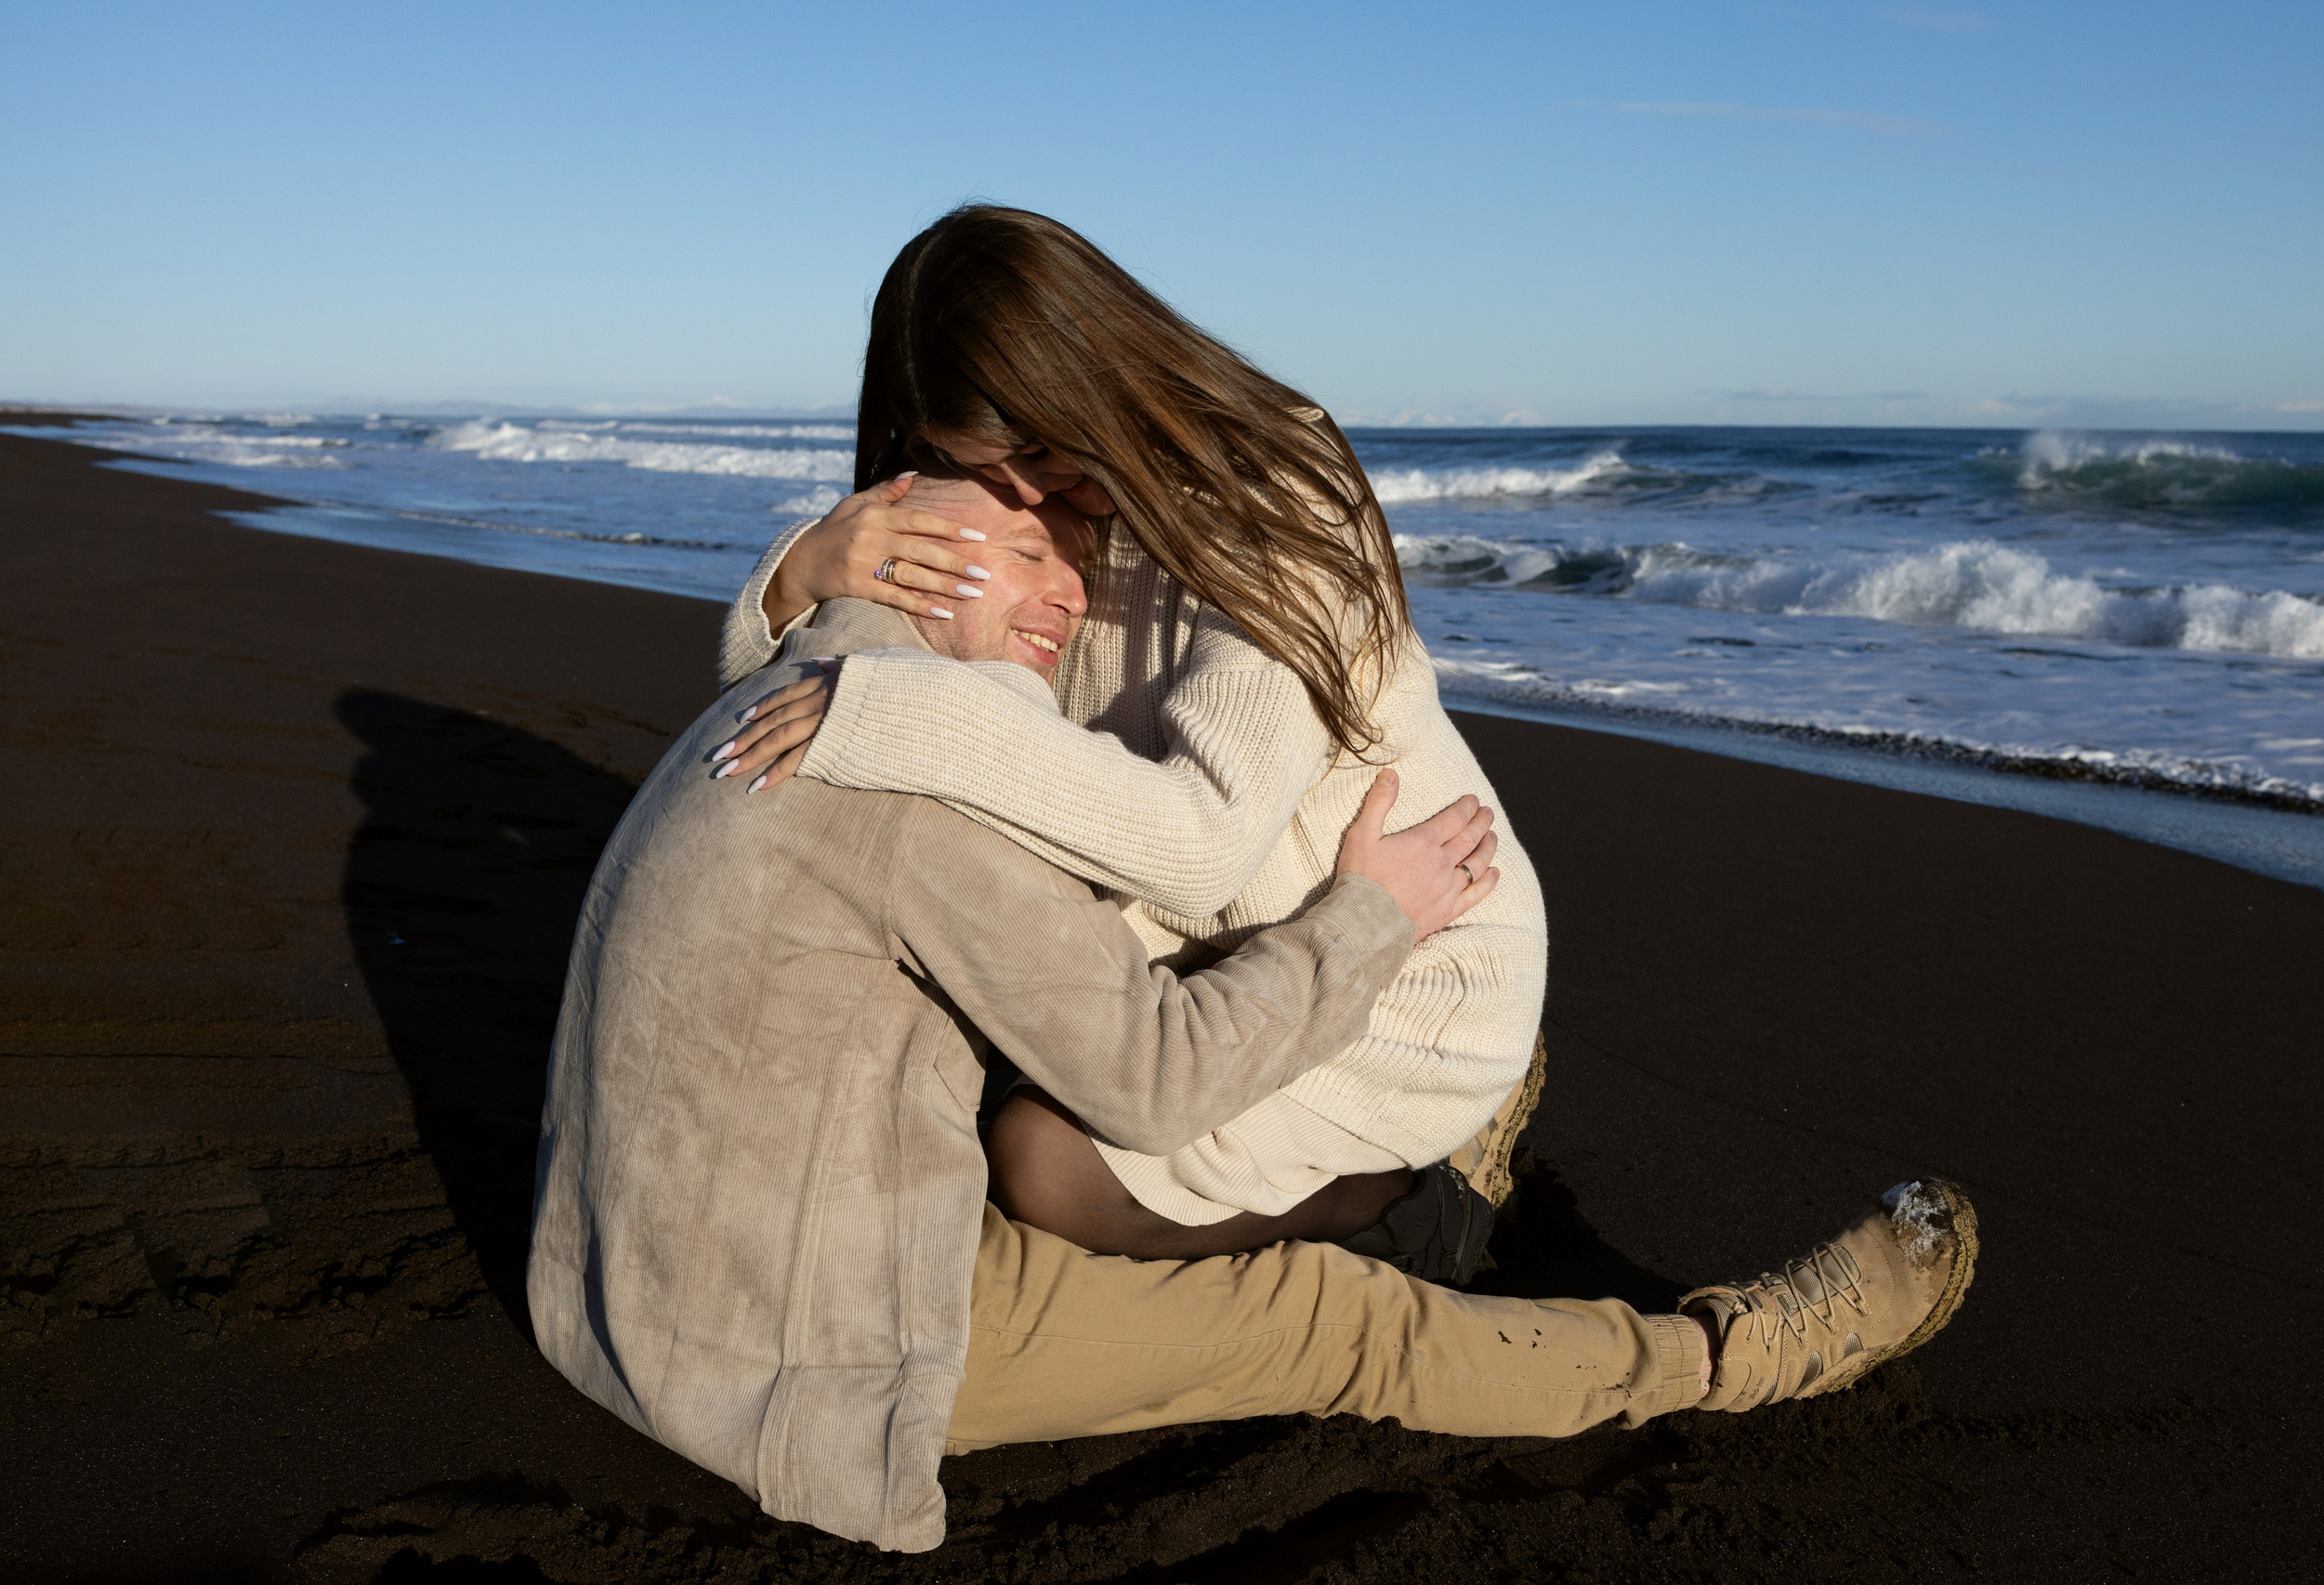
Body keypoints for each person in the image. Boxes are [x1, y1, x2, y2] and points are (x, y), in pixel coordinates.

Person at [528, 474, 1982, 1555]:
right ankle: (1725, 1359)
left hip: (623, 1274)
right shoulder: (920, 791)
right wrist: (1374, 918)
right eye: (1023, 552)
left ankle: (1432, 1167)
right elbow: (1157, 1082)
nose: (1068, 596)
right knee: (1330, 1324)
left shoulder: (795, 680)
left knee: (1063, 1072)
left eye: (1068, 550)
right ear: (904, 560)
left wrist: (800, 562)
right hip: (798, 1341)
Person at [702, 204, 1549, 1282]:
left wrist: (898, 709)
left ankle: (1399, 1206)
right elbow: (778, 727)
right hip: (1191, 957)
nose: (1023, 498)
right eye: (980, 469)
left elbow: (1203, 846)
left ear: (1092, 378)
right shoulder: (1032, 484)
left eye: (1040, 455)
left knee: (1041, 1163)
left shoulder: (1277, 496)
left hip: (1399, 958)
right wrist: (802, 576)